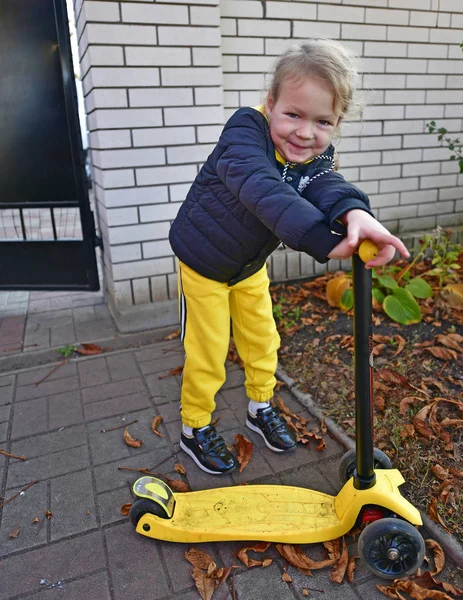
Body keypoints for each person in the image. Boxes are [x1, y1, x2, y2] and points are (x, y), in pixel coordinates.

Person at [169, 39, 409, 475]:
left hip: (246, 265)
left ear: (336, 124)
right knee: (207, 350)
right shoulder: (245, 134)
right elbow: (261, 187)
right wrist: (322, 239)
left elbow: (325, 185)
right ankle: (195, 427)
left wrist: (357, 214)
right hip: (203, 261)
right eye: (293, 115)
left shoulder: (314, 156)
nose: (305, 133)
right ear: (269, 102)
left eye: (323, 122)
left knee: (263, 339)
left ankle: (260, 407)